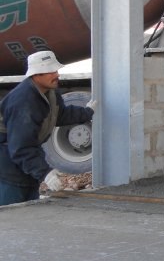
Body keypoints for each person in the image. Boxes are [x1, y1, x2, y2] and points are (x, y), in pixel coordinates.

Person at [0, 51, 96, 206]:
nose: (56, 75)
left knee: (28, 210)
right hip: (9, 168)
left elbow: (60, 114)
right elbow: (21, 148)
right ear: (36, 75)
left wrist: (87, 112)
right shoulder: (24, 102)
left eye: (56, 70)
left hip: (24, 164)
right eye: (51, 71)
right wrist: (45, 173)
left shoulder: (49, 91)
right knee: (10, 214)